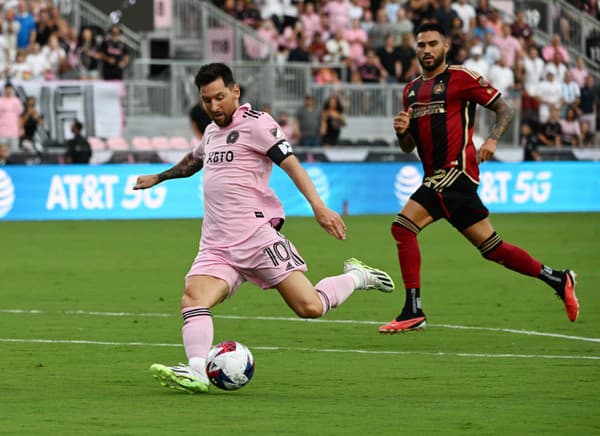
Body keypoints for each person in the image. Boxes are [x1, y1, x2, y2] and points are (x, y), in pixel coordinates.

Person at [133, 63, 395, 393]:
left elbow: (291, 164)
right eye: (207, 101)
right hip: (216, 244)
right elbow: (192, 161)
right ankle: (197, 371)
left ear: (235, 92)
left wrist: (318, 206)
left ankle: (357, 276)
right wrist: (159, 177)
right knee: (193, 299)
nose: (214, 107)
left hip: (256, 238)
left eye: (219, 97)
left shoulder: (258, 125)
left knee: (309, 307)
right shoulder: (212, 132)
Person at [379, 22, 579, 334]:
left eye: (433, 43)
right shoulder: (411, 91)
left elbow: (505, 109)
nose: (427, 50)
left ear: (445, 46)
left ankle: (413, 309)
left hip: (455, 173)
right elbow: (409, 148)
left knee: (402, 227)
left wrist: (493, 140)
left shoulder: (461, 78)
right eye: (421, 45)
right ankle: (557, 277)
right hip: (436, 177)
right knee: (493, 249)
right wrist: (402, 132)